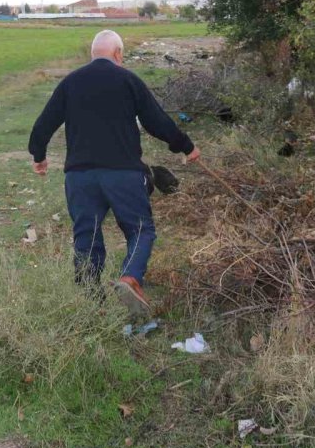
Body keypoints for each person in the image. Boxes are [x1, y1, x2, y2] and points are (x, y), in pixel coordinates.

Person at [28, 30, 200, 316]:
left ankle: (91, 306)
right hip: (123, 174)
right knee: (140, 229)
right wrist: (186, 146)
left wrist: (39, 156)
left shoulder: (71, 82)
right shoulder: (129, 80)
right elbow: (157, 121)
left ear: (93, 54)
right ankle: (130, 277)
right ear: (118, 53)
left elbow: (43, 124)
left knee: (87, 236)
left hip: (80, 177)